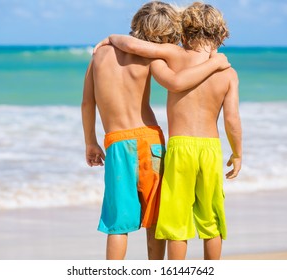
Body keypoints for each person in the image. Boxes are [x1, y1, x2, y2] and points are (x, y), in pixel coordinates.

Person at [82, 1, 231, 260]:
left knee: (118, 223)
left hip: (116, 142)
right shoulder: (154, 56)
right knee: (155, 218)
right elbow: (176, 83)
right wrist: (215, 64)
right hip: (150, 139)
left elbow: (87, 103)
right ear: (164, 35)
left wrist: (90, 143)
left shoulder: (99, 56)